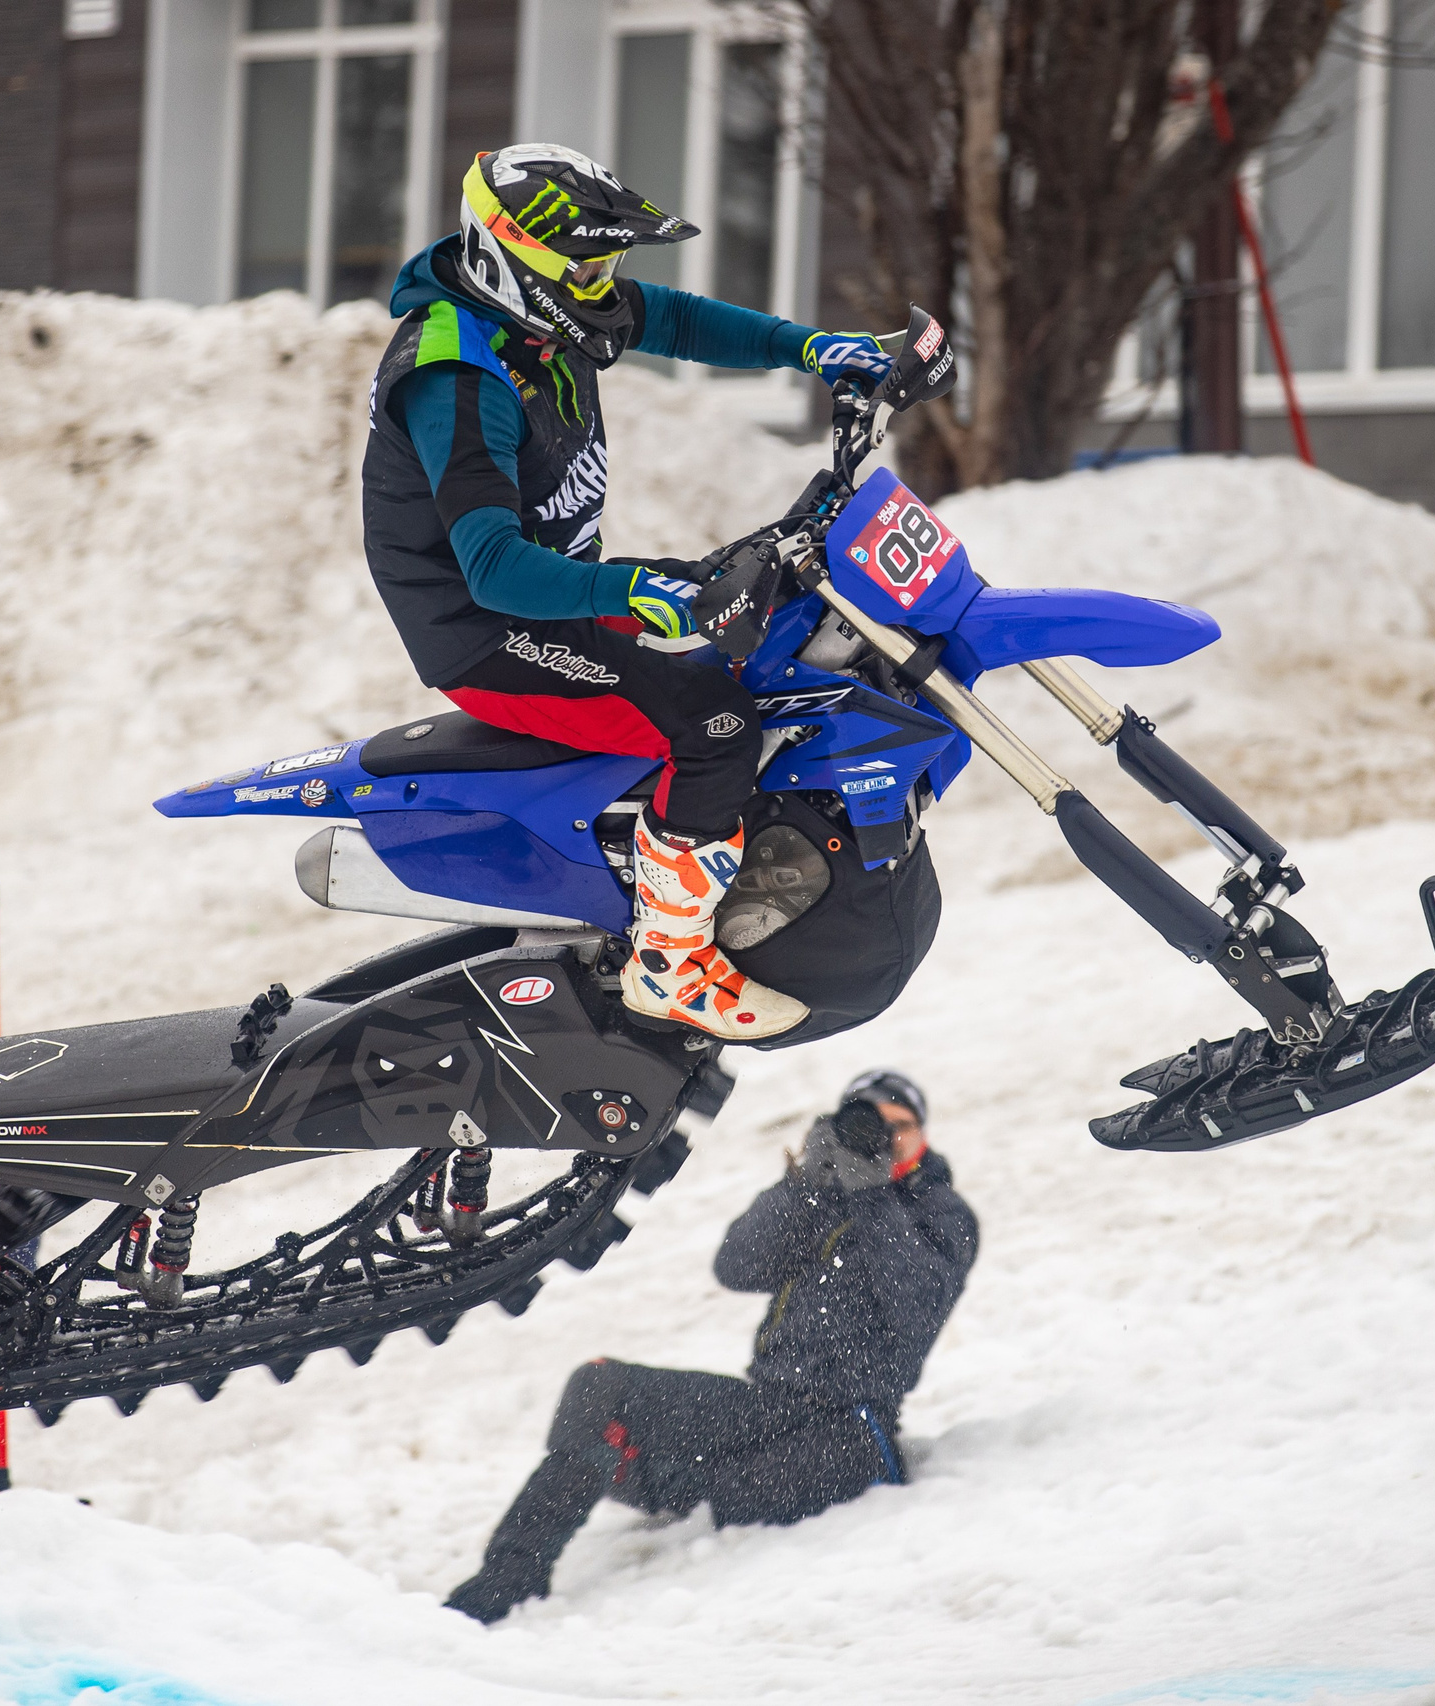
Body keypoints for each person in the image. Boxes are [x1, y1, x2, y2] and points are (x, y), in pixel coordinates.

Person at [362, 143, 948, 1042]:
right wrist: (638, 589)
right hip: (486, 629)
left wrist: (814, 349)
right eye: (590, 264)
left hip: (562, 594)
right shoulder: (456, 374)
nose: (606, 283)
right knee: (714, 730)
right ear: (516, 255)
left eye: (611, 263)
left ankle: (693, 869)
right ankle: (670, 961)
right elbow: (491, 566)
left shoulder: (547, 313)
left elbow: (677, 320)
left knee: (761, 647)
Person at [443, 1068, 978, 1624]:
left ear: (925, 1135)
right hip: (768, 1405)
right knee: (600, 1387)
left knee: (712, 1488)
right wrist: (805, 1186)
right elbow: (739, 1266)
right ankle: (506, 1582)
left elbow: (913, 1304)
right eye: (870, 1123)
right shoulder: (824, 1196)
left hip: (853, 1429)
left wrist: (871, 1195)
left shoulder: (944, 1215)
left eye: (902, 1125)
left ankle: (666, 1478)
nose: (887, 1138)